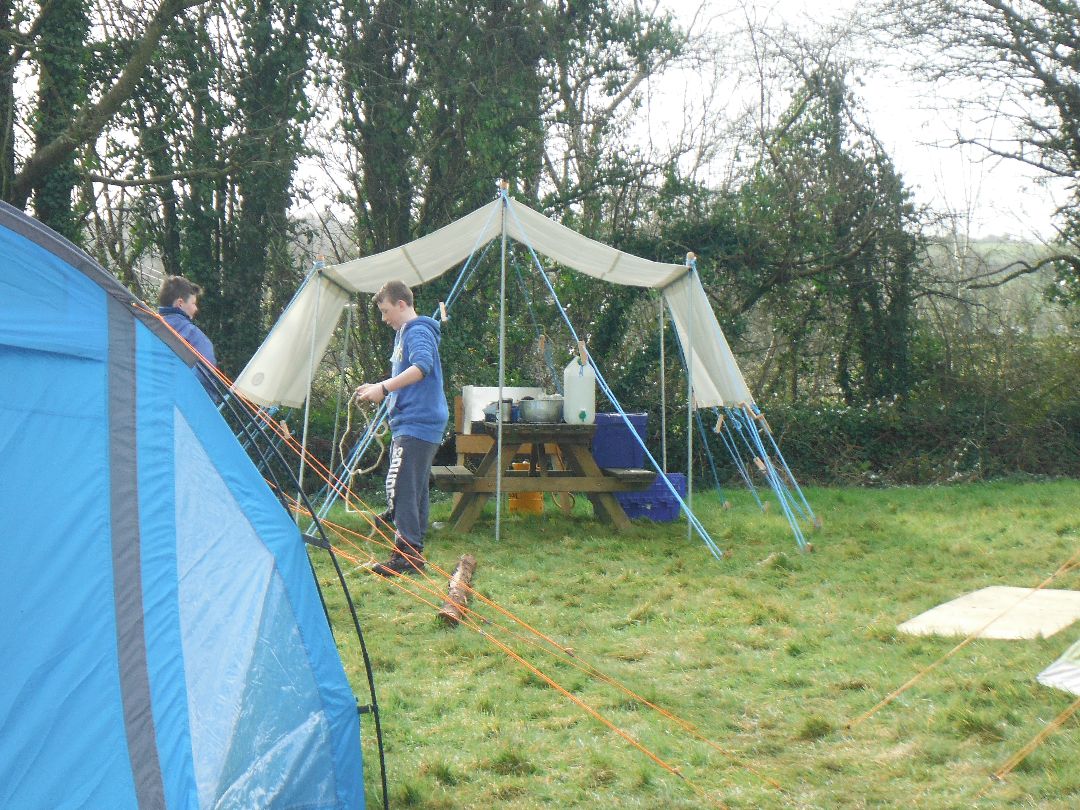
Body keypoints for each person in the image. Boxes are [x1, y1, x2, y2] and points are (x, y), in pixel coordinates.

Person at [355, 280, 449, 576]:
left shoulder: (417, 330)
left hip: (418, 422)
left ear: (401, 304)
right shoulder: (404, 334)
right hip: (415, 422)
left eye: (385, 311)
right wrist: (377, 386)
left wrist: (383, 388)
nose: (384, 319)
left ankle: (407, 554)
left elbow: (421, 367)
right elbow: (407, 373)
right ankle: (412, 551)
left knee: (400, 486)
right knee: (414, 488)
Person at [157, 275, 218, 393]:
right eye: (193, 303)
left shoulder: (146, 326)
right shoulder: (193, 335)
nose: (196, 309)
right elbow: (206, 377)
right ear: (180, 303)